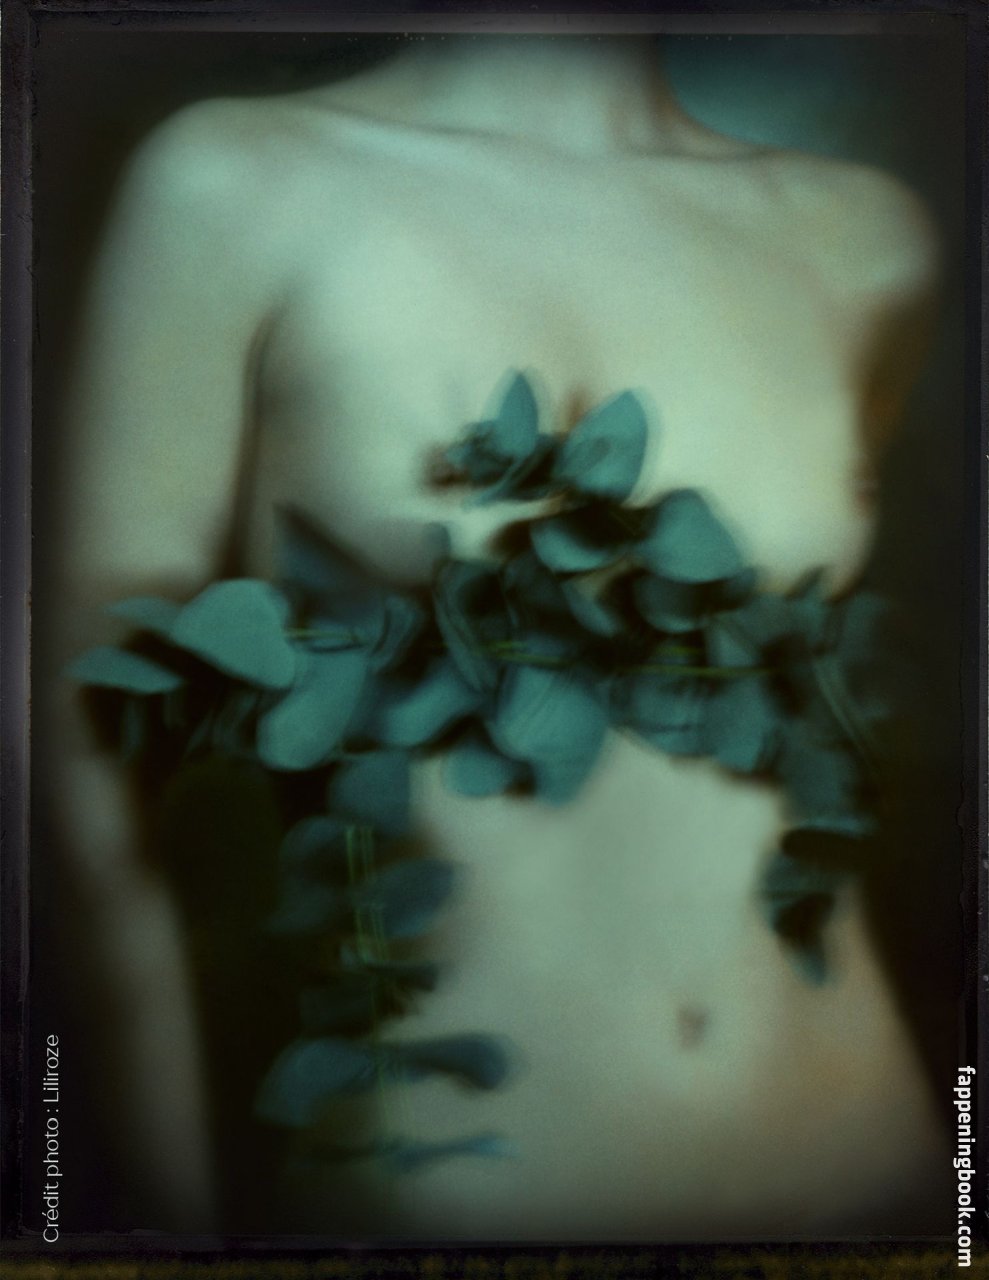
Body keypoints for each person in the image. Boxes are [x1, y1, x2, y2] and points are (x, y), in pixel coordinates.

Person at [52, 32, 948, 1240]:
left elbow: (796, 695)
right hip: (466, 1191)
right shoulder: (235, 182)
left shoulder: (859, 233)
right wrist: (161, 1231)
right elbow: (87, 784)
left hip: (869, 1163)